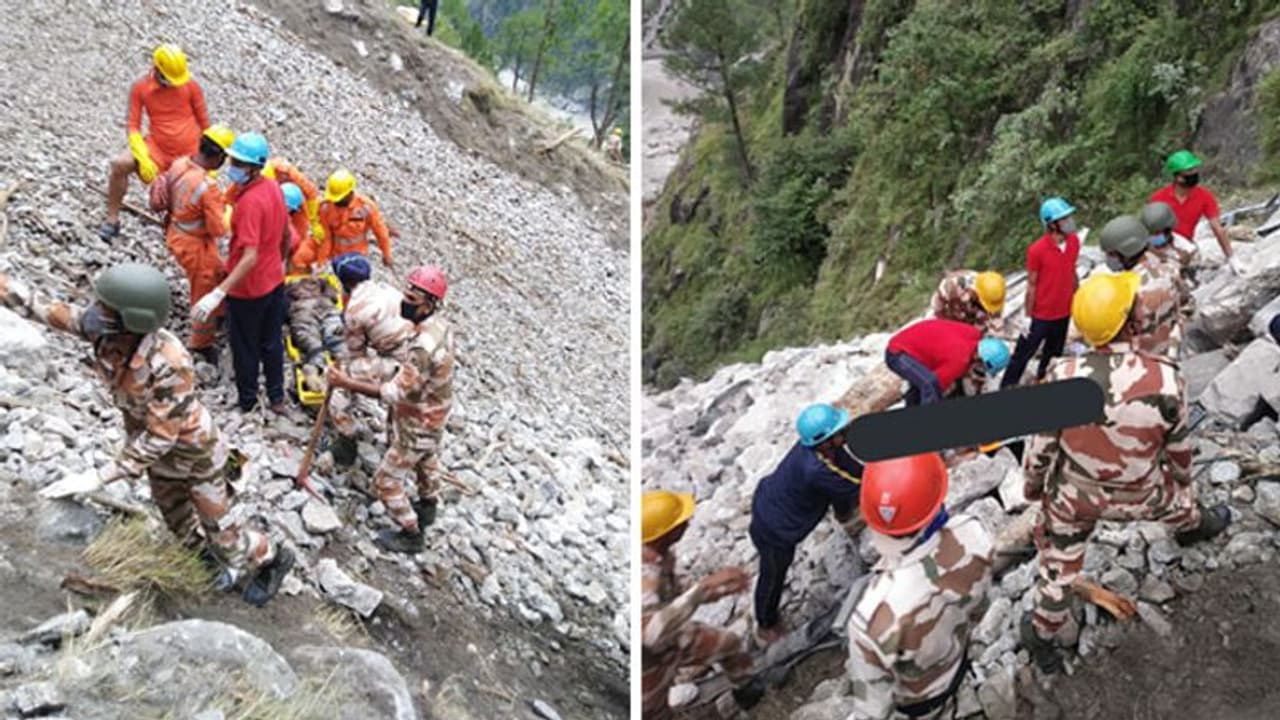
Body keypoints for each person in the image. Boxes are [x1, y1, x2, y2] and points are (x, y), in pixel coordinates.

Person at [2, 263, 294, 606]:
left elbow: (161, 437)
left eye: (105, 309)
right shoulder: (108, 332)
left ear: (132, 320)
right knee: (177, 519)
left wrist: (100, 476)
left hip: (197, 456)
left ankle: (272, 558)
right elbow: (42, 308)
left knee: (224, 536)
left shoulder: (168, 363)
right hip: (156, 457)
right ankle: (205, 561)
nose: (94, 313)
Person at [1019, 272, 1231, 674]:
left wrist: (1033, 490)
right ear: (1131, 321)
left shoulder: (1062, 377)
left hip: (1075, 498)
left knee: (1058, 571)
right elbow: (1179, 450)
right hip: (1143, 492)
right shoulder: (1166, 378)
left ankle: (1042, 637)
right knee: (1182, 506)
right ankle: (1193, 527)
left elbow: (1040, 451)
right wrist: (1182, 483)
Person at [846, 453, 993, 719]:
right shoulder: (972, 533)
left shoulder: (869, 622)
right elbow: (980, 607)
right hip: (958, 662)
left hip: (921, 705)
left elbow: (872, 711)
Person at [326, 266, 454, 553]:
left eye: (412, 299)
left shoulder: (422, 347)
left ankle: (411, 533)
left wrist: (345, 382)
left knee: (385, 481)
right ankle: (428, 505)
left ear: (428, 305)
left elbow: (393, 393)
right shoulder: (439, 327)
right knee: (426, 459)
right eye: (406, 294)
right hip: (434, 412)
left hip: (418, 420)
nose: (404, 302)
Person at [641, 490, 764, 719]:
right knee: (655, 712)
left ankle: (750, 694)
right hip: (649, 662)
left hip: (675, 637)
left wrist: (716, 589)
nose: (687, 523)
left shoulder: (663, 556)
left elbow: (675, 593)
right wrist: (703, 590)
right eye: (680, 522)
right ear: (664, 534)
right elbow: (651, 634)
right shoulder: (644, 577)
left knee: (729, 644)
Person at [192, 133, 290, 414]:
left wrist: (218, 292)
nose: (232, 166)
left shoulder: (249, 204)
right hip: (274, 281)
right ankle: (277, 397)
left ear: (254, 167)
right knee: (271, 342)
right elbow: (285, 234)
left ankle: (248, 401)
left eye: (238, 163)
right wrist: (279, 264)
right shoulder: (273, 188)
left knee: (245, 346)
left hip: (248, 290)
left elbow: (249, 257)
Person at [749, 403, 863, 645]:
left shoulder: (821, 449)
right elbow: (854, 487)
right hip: (775, 528)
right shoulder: (816, 470)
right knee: (773, 573)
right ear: (825, 441)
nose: (845, 433)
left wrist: (867, 472)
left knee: (838, 490)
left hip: (770, 502)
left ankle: (844, 514)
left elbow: (849, 468)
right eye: (839, 432)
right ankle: (766, 624)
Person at [101, 44, 210, 241]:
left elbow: (205, 126)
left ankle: (183, 229)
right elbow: (133, 126)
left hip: (188, 154)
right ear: (157, 69)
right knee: (120, 165)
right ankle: (112, 219)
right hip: (157, 148)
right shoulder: (141, 88)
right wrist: (142, 156)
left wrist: (208, 162)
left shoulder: (191, 87)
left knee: (189, 196)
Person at [148, 125, 235, 362]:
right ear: (219, 156)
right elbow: (218, 229)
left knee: (218, 272)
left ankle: (221, 314)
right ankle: (201, 343)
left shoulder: (180, 164)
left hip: (176, 232)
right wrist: (228, 212)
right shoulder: (207, 187)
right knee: (203, 290)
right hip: (195, 244)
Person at [326, 253, 416, 466]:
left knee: (340, 382)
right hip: (417, 355)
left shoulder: (355, 309)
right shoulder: (386, 288)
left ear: (344, 282)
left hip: (398, 364)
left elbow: (355, 355)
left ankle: (346, 444)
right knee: (398, 403)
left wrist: (349, 381)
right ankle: (395, 444)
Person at [1001, 197, 1081, 388]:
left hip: (1063, 313)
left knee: (1053, 356)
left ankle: (1043, 381)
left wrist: (1078, 296)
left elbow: (1071, 270)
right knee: (1022, 354)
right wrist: (1027, 317)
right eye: (1064, 219)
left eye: (1069, 217)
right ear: (1052, 224)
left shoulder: (1074, 242)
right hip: (1040, 316)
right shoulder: (1037, 250)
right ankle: (1007, 387)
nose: (1070, 221)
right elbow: (1032, 285)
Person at [1096, 214, 1185, 360]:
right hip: (1172, 348)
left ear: (1127, 252)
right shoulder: (1170, 268)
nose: (1109, 259)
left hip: (1144, 359)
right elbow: (1186, 304)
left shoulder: (1128, 290)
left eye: (1111, 254)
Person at [884, 319, 1010, 406]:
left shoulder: (973, 334)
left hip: (909, 345)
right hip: (897, 353)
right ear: (980, 358)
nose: (979, 369)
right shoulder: (960, 359)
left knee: (923, 384)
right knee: (930, 385)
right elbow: (936, 387)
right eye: (982, 366)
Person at [1150, 149, 1232, 259]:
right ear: (1178, 177)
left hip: (1186, 244)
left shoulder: (1204, 196)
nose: (1194, 173)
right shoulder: (1159, 198)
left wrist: (1231, 257)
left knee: (1191, 255)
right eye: (1189, 170)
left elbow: (1218, 228)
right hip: (1161, 244)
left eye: (1195, 169)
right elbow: (1149, 231)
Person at [227, 158, 325, 246]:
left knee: (297, 239)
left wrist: (315, 222)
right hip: (270, 207)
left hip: (294, 203)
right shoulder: (249, 178)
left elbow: (311, 194)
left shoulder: (287, 173)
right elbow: (229, 198)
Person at [311, 170, 396, 270]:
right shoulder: (326, 208)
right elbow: (326, 238)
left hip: (357, 257)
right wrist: (321, 263)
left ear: (349, 193)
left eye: (339, 198)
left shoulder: (366, 207)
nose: (336, 202)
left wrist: (386, 254)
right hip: (335, 258)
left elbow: (380, 231)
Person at [285, 269, 344, 393]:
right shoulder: (323, 284)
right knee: (334, 338)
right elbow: (334, 297)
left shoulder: (290, 288)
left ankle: (316, 366)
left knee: (314, 343)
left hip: (303, 311)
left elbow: (283, 308)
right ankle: (339, 363)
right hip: (323, 308)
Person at [929, 269, 1007, 336]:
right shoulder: (950, 287)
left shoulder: (991, 286)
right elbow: (938, 309)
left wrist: (996, 319)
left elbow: (994, 307)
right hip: (954, 316)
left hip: (971, 311)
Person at [1141, 200, 1197, 270]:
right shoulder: (1145, 249)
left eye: (1158, 233)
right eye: (1154, 233)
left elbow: (1191, 251)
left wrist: (1186, 257)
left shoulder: (1177, 240)